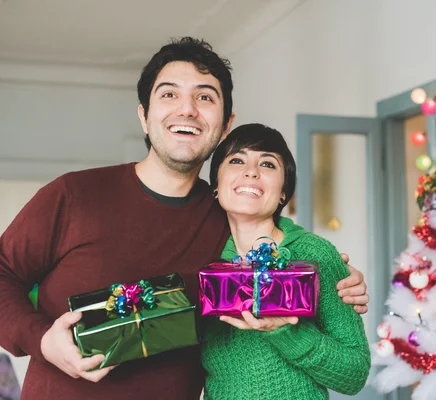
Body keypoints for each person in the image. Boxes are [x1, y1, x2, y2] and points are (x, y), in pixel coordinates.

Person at [0, 37, 369, 400]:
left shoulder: (226, 219)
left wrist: (338, 275)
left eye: (205, 97)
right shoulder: (73, 195)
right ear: (144, 116)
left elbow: (283, 249)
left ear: (226, 125)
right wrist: (42, 339)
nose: (187, 109)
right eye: (169, 94)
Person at [202, 123, 370, 399]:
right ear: (217, 186)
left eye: (267, 164)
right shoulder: (202, 258)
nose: (251, 171)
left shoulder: (315, 255)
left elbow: (355, 374)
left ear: (283, 192)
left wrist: (285, 331)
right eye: (236, 160)